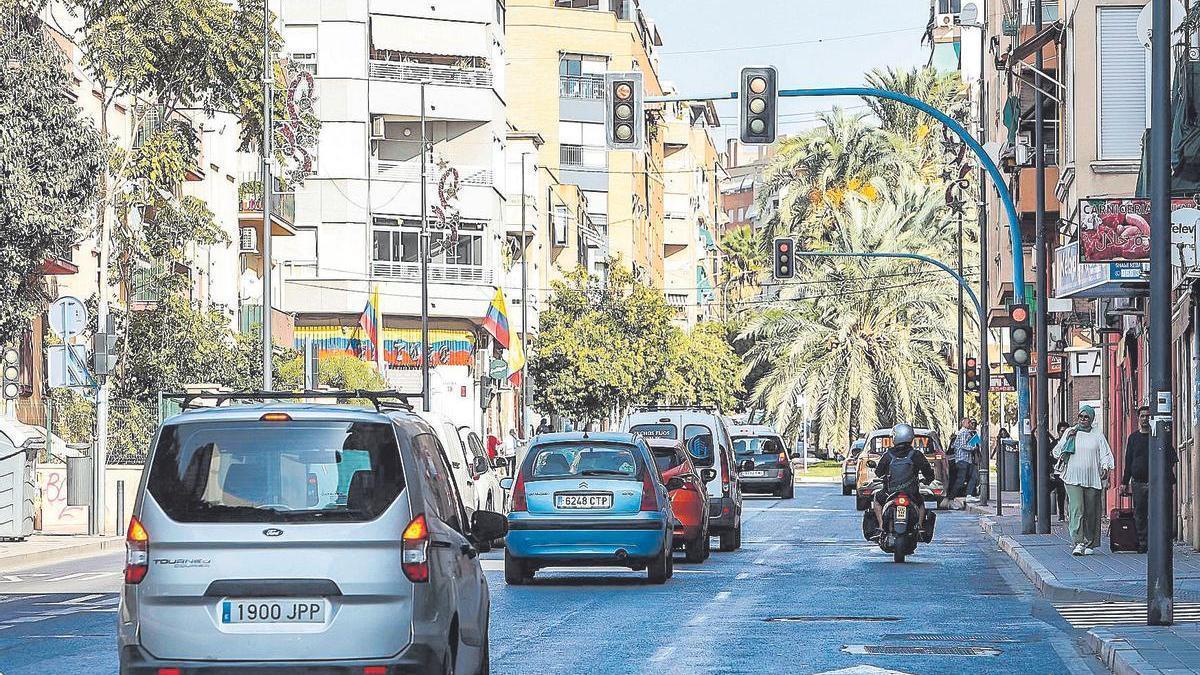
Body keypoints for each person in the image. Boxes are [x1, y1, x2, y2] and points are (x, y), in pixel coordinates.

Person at [1053, 405, 1115, 556]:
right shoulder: (1070, 431)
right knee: (1077, 509)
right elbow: (1056, 452)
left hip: (1093, 478)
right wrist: (1067, 439)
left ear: (1091, 419)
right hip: (1073, 477)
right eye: (1080, 416)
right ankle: (1078, 542)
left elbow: (1105, 454)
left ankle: (1090, 542)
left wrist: (1106, 467)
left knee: (1091, 511)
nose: (1082, 419)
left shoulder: (1097, 434)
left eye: (1086, 417)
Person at [1121, 406, 1177, 553]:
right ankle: (1142, 543)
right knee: (1140, 514)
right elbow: (1128, 460)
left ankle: (1158, 543)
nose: (1145, 419)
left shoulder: (1158, 436)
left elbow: (1171, 458)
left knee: (1158, 512)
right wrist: (1124, 482)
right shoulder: (1133, 438)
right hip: (1138, 482)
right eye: (1142, 416)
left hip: (1157, 483)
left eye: (1147, 416)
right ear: (1138, 418)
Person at [872, 423, 936, 535]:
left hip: (890, 492)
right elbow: (928, 471)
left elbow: (878, 472)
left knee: (877, 500)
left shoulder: (888, 455)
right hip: (911, 492)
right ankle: (920, 526)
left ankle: (882, 526)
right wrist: (928, 479)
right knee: (921, 502)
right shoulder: (916, 454)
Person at [948, 418, 977, 499]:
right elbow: (963, 445)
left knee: (972, 476)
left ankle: (968, 494)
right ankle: (952, 496)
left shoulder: (961, 433)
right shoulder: (964, 432)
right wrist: (973, 447)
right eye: (969, 422)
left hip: (965, 459)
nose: (970, 424)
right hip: (963, 459)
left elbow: (954, 446)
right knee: (961, 480)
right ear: (963, 423)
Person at [1050, 422, 1070, 521]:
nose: (1064, 433)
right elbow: (1049, 458)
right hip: (1057, 473)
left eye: (1066, 431)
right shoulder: (1054, 444)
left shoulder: (1072, 443)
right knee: (1061, 493)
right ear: (1058, 432)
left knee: (1070, 494)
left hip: (1069, 472)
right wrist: (1051, 471)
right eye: (1062, 431)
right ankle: (1061, 514)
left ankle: (1070, 514)